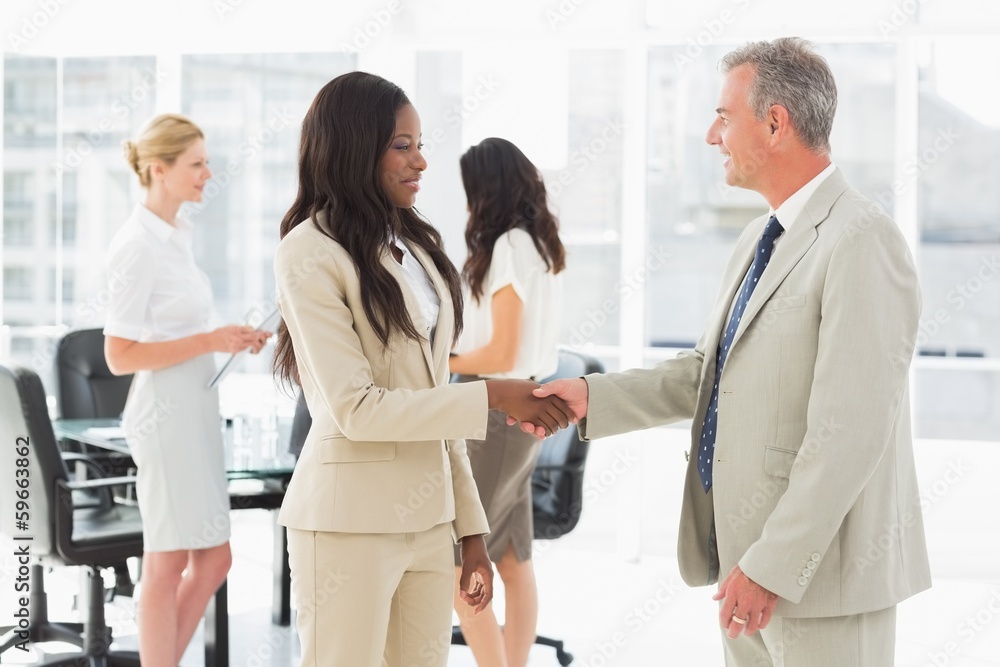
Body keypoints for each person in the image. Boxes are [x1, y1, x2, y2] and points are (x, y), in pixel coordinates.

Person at [528, 38, 931, 666]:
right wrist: (589, 396)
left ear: (775, 124)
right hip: (744, 558)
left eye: (724, 116)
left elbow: (848, 432)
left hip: (816, 578)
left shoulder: (860, 240)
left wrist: (771, 566)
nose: (712, 135)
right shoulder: (757, 238)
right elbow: (708, 377)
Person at [271, 72, 574, 667]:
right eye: (402, 145)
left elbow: (432, 398)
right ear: (355, 147)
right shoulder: (309, 251)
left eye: (419, 144)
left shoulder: (413, 248)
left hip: (430, 520)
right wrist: (491, 396)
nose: (422, 162)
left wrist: (470, 528)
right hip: (349, 522)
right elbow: (356, 409)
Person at [103, 113, 270, 667]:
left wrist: (225, 338)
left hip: (194, 411)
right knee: (167, 562)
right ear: (160, 169)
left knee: (215, 559)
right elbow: (119, 355)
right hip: (164, 418)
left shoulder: (175, 238)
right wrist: (209, 339)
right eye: (196, 163)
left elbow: (178, 331)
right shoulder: (136, 246)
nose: (207, 173)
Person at [448, 137, 566, 667]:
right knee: (513, 560)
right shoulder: (538, 244)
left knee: (462, 564)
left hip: (496, 414)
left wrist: (435, 362)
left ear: (487, 189)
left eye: (471, 191)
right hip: (524, 410)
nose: (468, 204)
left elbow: (501, 350)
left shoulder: (508, 248)